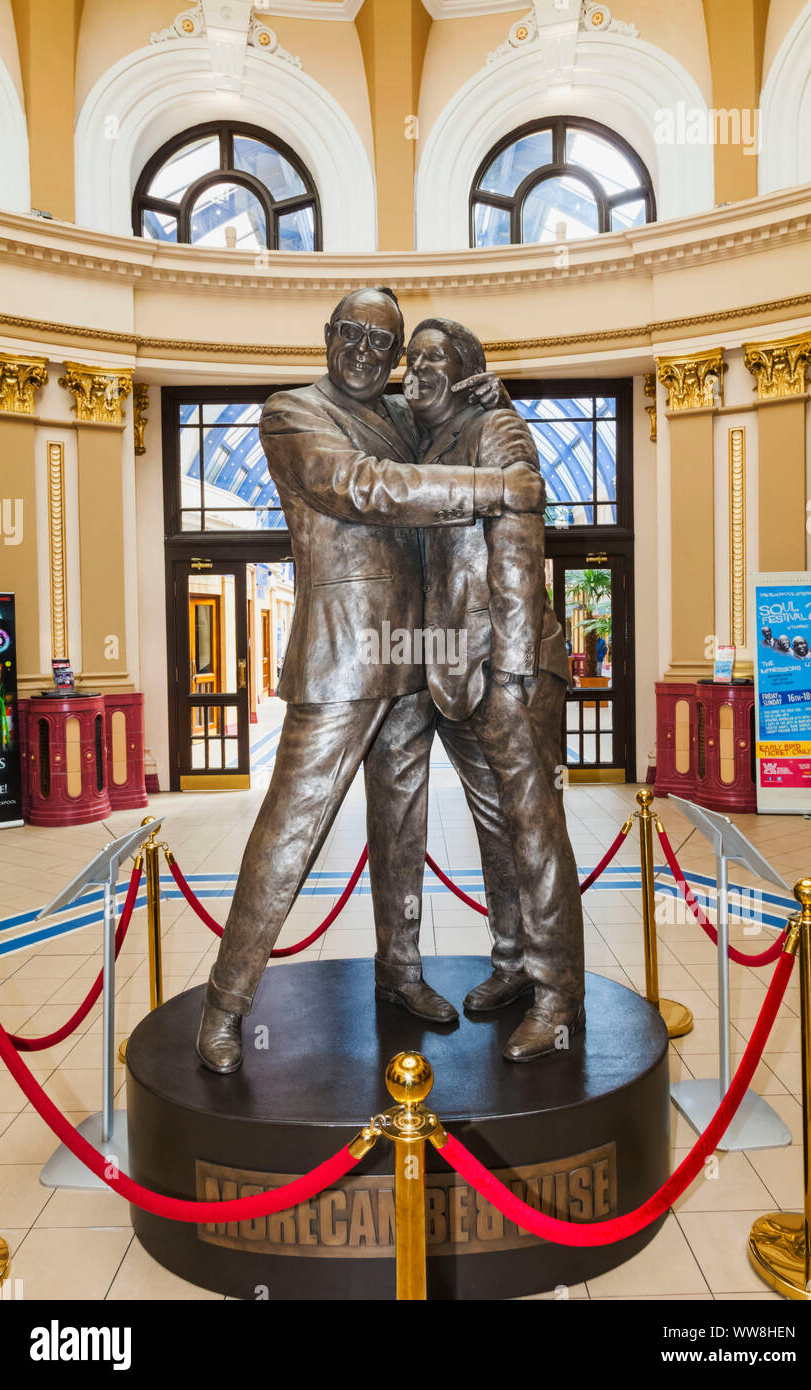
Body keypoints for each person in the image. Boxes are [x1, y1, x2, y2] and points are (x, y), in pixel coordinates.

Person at [196, 288, 546, 1073]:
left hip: (415, 653)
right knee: (292, 829)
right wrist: (496, 491)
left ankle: (401, 970)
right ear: (327, 335)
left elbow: (456, 426)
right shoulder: (293, 412)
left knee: (403, 829)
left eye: (382, 342)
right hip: (342, 657)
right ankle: (226, 1004)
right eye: (352, 333)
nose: (367, 350)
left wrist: (491, 395)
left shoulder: (398, 417)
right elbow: (362, 488)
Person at [365, 317, 584, 1061]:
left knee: (535, 828)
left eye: (435, 357)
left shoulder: (496, 431)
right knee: (497, 824)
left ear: (464, 371)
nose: (416, 367)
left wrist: (517, 667)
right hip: (449, 667)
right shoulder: (419, 440)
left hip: (507, 665)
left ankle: (556, 995)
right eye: (412, 357)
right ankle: (513, 964)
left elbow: (518, 548)